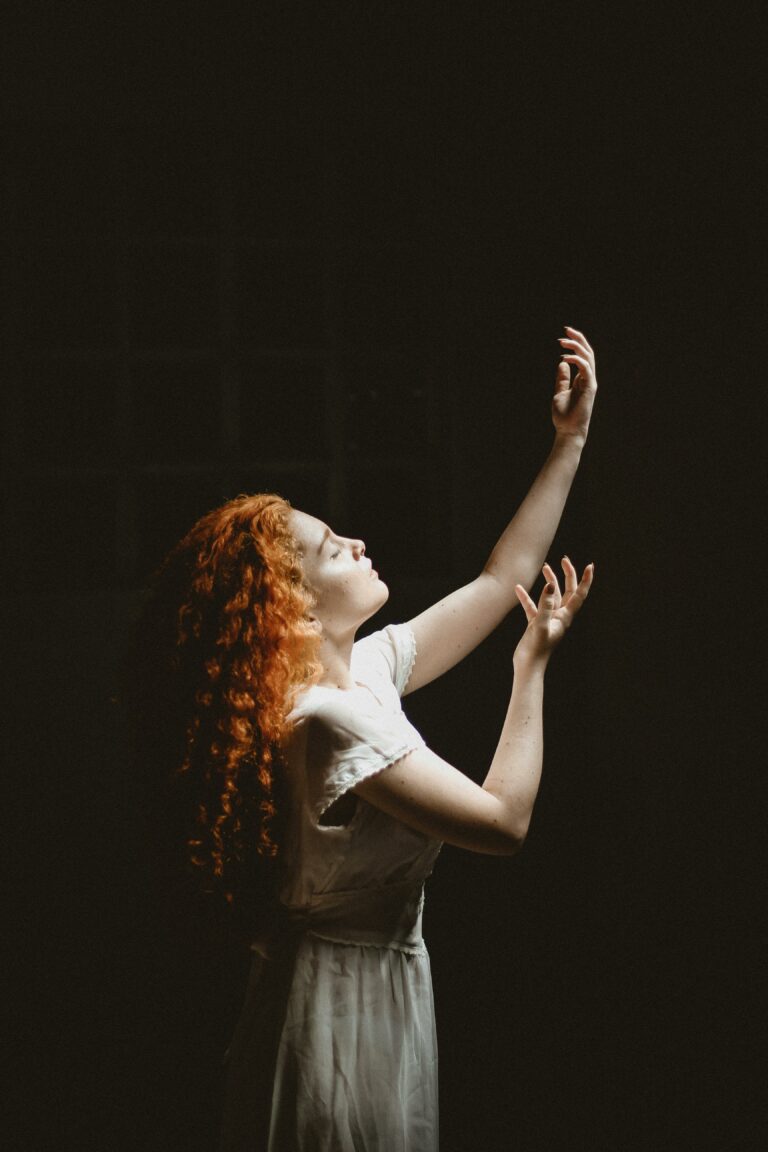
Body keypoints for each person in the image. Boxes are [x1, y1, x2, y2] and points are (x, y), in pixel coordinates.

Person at [132, 327, 598, 1151]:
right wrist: (530, 674)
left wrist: (570, 440)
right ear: (298, 609)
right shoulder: (328, 721)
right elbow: (503, 823)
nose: (354, 541)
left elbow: (501, 578)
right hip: (338, 1015)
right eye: (328, 549)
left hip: (377, 990)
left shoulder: (365, 674)